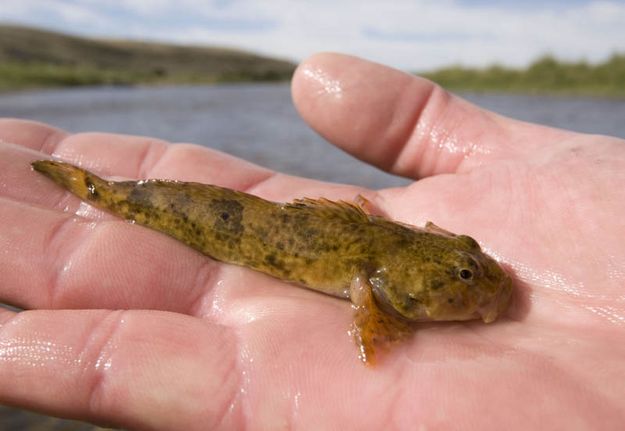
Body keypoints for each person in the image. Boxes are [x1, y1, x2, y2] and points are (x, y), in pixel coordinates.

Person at [0, 53, 623, 430]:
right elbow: (378, 282)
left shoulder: (394, 250)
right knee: (133, 201)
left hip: (298, 227)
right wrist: (376, 327)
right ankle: (101, 192)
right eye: (466, 274)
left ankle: (102, 190)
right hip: (240, 226)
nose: (482, 279)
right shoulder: (378, 271)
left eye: (469, 268)